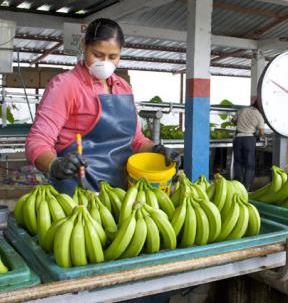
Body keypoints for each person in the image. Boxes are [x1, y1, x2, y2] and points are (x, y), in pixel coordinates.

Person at [25, 18, 179, 195]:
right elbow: (37, 141)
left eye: (113, 57)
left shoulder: (123, 87)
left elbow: (135, 140)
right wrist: (54, 164)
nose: (105, 63)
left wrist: (157, 150)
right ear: (84, 46)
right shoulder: (66, 85)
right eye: (97, 55)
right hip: (79, 192)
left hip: (121, 192)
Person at [232, 101, 265, 191]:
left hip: (238, 138)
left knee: (238, 162)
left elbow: (233, 121)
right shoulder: (258, 115)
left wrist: (240, 124)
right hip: (249, 139)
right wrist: (259, 136)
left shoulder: (242, 110)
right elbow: (262, 132)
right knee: (249, 164)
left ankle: (239, 184)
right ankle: (246, 187)